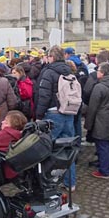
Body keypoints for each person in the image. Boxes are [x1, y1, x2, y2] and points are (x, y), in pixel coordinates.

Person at [35, 46, 78, 191]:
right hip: (68, 112)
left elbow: (44, 96)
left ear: (51, 57)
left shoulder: (49, 72)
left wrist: (38, 116)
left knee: (47, 147)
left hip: (53, 113)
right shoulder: (69, 71)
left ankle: (47, 180)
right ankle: (70, 182)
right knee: (68, 148)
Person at [85, 63, 109, 179]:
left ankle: (104, 171)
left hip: (102, 118)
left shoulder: (99, 87)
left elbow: (93, 107)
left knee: (102, 145)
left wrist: (88, 125)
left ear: (103, 73)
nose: (97, 72)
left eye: (98, 70)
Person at [0, 110, 27, 180]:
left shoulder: (7, 133)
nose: (2, 122)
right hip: (19, 169)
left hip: (7, 171)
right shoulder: (21, 134)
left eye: (6, 121)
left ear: (12, 124)